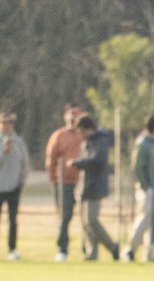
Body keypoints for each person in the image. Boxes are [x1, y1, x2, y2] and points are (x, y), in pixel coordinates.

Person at [71, 114, 121, 263]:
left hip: (95, 185)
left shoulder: (101, 140)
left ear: (87, 129)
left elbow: (98, 160)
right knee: (85, 223)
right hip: (84, 186)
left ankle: (112, 247)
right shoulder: (85, 143)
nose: (79, 135)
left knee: (91, 220)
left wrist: (78, 163)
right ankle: (92, 253)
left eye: (80, 131)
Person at [0, 111, 28, 261]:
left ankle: (12, 249)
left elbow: (24, 163)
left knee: (13, 220)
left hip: (14, 186)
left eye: (9, 122)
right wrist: (3, 152)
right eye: (4, 122)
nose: (7, 125)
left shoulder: (19, 142)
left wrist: (22, 181)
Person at [46, 103, 86, 261]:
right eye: (71, 114)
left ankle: (87, 249)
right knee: (65, 215)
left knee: (86, 218)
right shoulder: (59, 136)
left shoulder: (84, 135)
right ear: (66, 116)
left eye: (76, 114)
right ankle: (62, 248)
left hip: (82, 181)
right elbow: (51, 158)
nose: (73, 117)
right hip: (63, 182)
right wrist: (52, 178)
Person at [126, 114, 154, 261]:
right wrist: (146, 186)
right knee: (144, 217)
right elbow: (137, 167)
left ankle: (149, 254)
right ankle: (130, 249)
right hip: (146, 189)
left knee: (152, 221)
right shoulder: (142, 143)